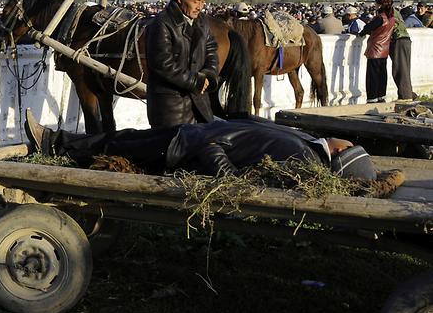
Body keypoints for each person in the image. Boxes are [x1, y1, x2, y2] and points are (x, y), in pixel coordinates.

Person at [23, 109, 378, 181]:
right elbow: (252, 129)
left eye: (351, 144)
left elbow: (218, 153)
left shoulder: (300, 154)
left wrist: (229, 178)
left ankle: (53, 144)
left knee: (118, 143)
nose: (349, 138)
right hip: (192, 134)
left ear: (341, 152)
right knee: (123, 138)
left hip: (186, 145)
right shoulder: (305, 144)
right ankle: (57, 143)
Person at [145, 0, 219, 128]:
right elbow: (162, 64)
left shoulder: (202, 21)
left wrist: (208, 74)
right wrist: (195, 81)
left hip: (199, 102)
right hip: (171, 106)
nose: (200, 7)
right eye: (195, 1)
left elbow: (211, 50)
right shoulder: (162, 23)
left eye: (203, 2)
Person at [359, 0, 396, 103]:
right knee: (382, 74)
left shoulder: (380, 18)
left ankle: (372, 98)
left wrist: (361, 33)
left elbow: (366, 29)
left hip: (375, 50)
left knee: (372, 76)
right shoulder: (391, 18)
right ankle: (381, 96)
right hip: (385, 49)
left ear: (379, 4)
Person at [389, 10, 416, 100]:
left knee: (399, 70)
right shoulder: (395, 11)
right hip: (405, 40)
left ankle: (406, 96)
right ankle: (407, 93)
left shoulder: (386, 12)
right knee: (404, 70)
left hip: (398, 41)